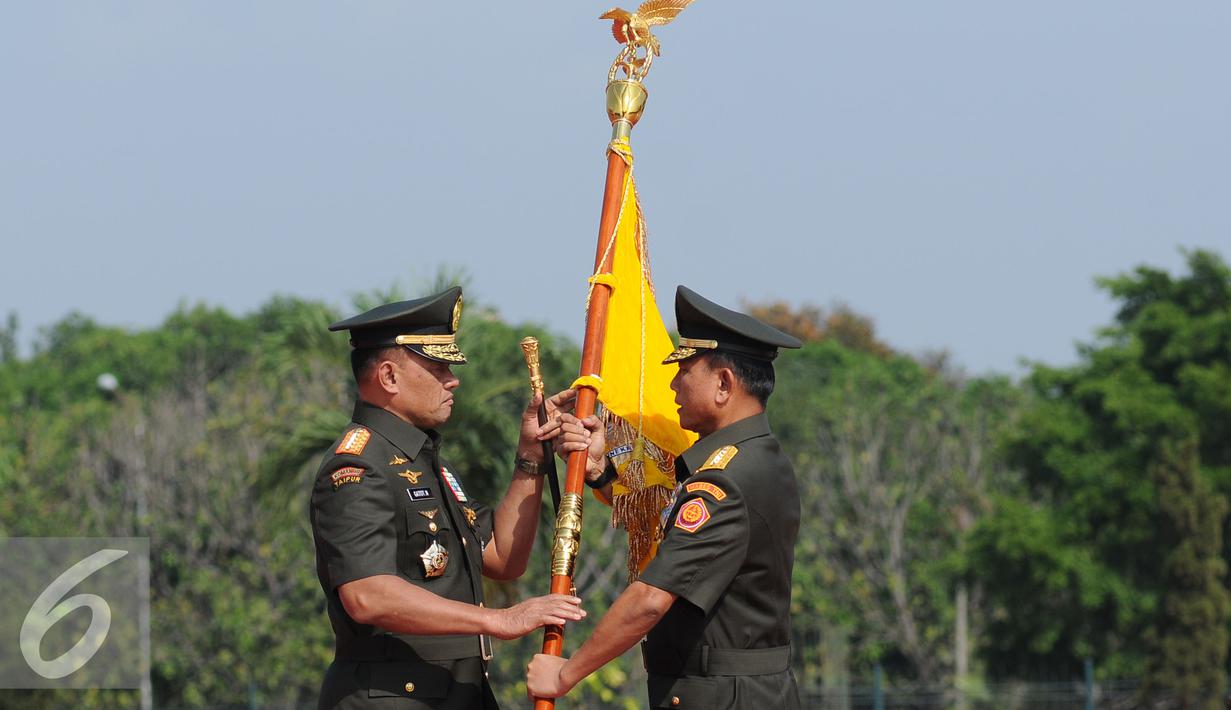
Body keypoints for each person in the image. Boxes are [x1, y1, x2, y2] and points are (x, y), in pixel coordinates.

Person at [526, 285, 804, 709]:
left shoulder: (723, 481)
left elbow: (650, 600)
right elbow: (665, 508)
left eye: (684, 370)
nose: (672, 385)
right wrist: (600, 471)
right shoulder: (756, 457)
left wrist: (564, 674)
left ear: (724, 384)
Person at [310, 287, 585, 709]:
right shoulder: (358, 466)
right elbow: (368, 595)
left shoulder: (424, 460)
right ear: (388, 377)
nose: (452, 379)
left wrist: (530, 455)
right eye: (438, 366)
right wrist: (500, 620)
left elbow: (502, 559)